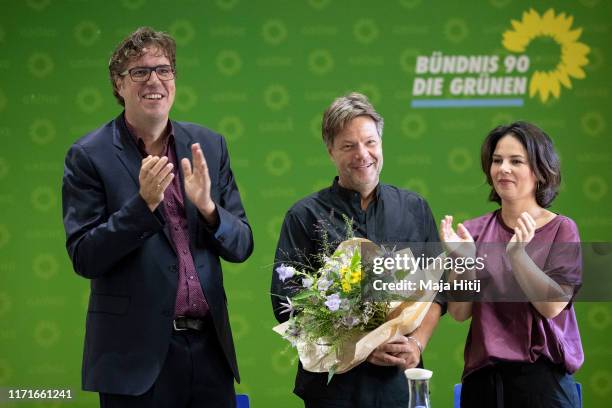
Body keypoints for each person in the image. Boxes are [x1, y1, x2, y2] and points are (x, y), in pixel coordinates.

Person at [62, 27, 253, 407]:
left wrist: (209, 210)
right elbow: (85, 256)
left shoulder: (208, 146)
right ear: (119, 85)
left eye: (164, 70)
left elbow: (242, 244)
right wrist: (142, 206)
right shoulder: (88, 155)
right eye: (140, 72)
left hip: (209, 352)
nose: (154, 80)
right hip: (133, 360)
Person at [271, 92, 444, 408]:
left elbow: (438, 291)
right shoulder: (304, 216)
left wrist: (417, 343)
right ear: (331, 152)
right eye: (348, 146)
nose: (362, 154)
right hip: (334, 389)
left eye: (370, 142)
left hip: (400, 384)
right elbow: (287, 305)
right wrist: (362, 348)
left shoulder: (414, 208)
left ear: (381, 143)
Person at [440, 121, 583, 407]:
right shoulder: (474, 231)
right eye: (497, 160)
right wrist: (465, 260)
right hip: (483, 383)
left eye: (516, 161)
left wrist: (517, 255)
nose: (503, 168)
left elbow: (551, 305)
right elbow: (458, 312)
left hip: (543, 383)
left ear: (540, 171)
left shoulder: (562, 229)